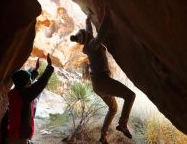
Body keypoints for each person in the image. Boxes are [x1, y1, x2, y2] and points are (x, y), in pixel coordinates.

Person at [70, 9, 136, 144]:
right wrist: (107, 13)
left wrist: (88, 20)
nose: (89, 33)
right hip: (103, 82)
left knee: (113, 108)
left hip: (97, 85)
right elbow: (102, 33)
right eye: (88, 33)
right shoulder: (93, 44)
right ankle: (123, 124)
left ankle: (103, 136)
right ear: (87, 38)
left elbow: (89, 32)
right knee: (130, 96)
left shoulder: (89, 45)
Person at [7, 54, 54, 144]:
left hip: (13, 132)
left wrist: (35, 70)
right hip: (19, 138)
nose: (31, 81)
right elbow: (41, 83)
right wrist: (49, 67)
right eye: (29, 80)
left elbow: (26, 80)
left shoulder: (15, 92)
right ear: (25, 83)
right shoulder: (25, 95)